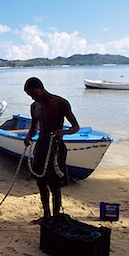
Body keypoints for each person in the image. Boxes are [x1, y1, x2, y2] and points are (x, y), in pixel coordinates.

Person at [23, 77, 80, 221]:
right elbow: (34, 128)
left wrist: (64, 132)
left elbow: (75, 127)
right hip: (41, 147)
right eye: (30, 95)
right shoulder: (34, 106)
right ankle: (46, 215)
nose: (33, 97)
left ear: (41, 88)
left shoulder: (60, 103)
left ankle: (55, 218)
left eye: (34, 93)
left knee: (55, 185)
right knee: (41, 183)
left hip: (55, 148)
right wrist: (29, 137)